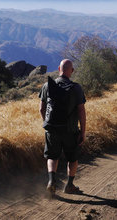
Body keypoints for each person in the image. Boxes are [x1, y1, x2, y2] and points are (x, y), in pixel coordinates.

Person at [39, 59, 86, 195]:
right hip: (70, 130)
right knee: (72, 158)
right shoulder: (76, 88)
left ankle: (51, 181)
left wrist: (47, 124)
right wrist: (82, 132)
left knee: (52, 157)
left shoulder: (47, 86)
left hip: (52, 129)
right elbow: (81, 111)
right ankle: (69, 185)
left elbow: (41, 109)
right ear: (71, 71)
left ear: (59, 68)